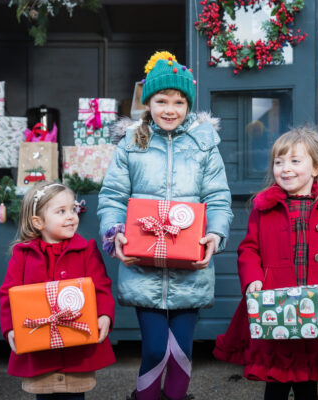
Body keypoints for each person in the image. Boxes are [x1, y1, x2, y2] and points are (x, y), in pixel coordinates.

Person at [97, 51, 233, 400]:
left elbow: (218, 198)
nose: (169, 109)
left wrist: (214, 236)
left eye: (178, 101)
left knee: (181, 353)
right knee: (156, 349)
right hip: (144, 268)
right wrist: (115, 236)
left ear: (188, 104)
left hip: (190, 269)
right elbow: (112, 196)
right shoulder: (131, 142)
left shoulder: (204, 145)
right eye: (161, 100)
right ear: (148, 101)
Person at [213, 127, 318, 399]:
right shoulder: (264, 208)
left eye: (295, 161)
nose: (285, 169)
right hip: (275, 305)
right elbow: (249, 249)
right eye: (279, 162)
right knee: (275, 380)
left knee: (307, 380)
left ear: (316, 168)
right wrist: (253, 278)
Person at [0, 182, 116, 400]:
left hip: (77, 348)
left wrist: (104, 315)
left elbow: (101, 285)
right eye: (61, 211)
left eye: (73, 209)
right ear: (38, 221)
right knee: (44, 395)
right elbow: (8, 294)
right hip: (39, 348)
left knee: (74, 395)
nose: (71, 216)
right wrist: (10, 328)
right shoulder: (22, 255)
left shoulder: (86, 249)